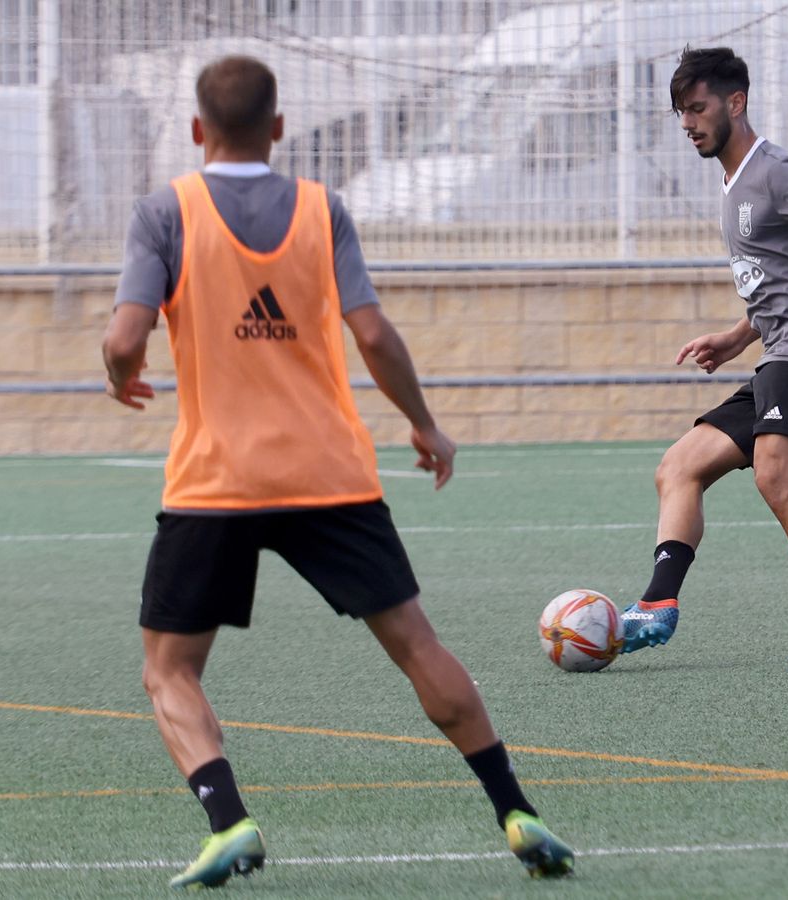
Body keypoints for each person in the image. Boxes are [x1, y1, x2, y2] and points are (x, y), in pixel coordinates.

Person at [102, 55, 573, 889]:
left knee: (169, 669)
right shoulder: (323, 210)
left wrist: (120, 370)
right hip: (332, 476)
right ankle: (513, 807)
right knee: (415, 643)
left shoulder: (162, 212)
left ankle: (229, 821)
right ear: (279, 128)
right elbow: (377, 336)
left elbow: (122, 337)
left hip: (216, 482)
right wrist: (424, 425)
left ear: (195, 130)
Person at [618, 47, 788, 669]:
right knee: (680, 466)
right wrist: (739, 336)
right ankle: (658, 604)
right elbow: (783, 274)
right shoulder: (734, 182)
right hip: (780, 353)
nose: (687, 122)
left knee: (775, 471)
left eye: (698, 107)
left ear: (735, 103)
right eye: (680, 111)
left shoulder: (776, 171)